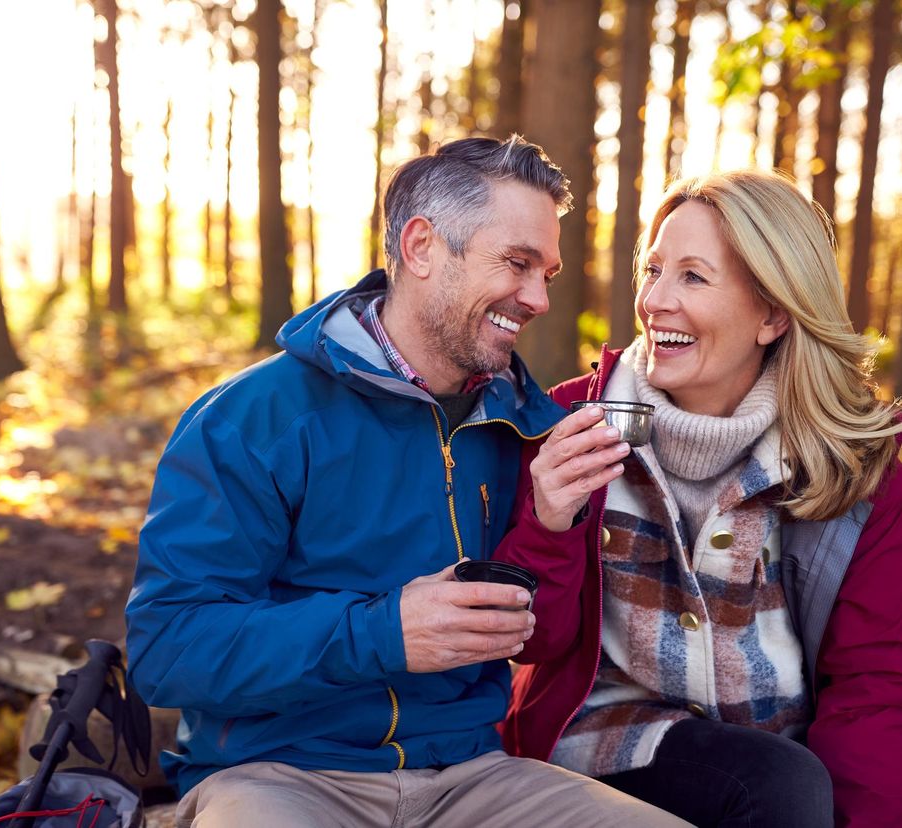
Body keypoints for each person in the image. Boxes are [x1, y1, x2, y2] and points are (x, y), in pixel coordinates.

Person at [125, 136, 690, 828]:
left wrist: (549, 524)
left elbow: (539, 644)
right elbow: (169, 648)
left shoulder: (523, 425)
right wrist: (383, 633)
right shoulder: (253, 419)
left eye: (547, 271)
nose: (540, 297)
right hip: (277, 778)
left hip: (472, 777)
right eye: (516, 263)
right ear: (422, 247)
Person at [494, 169, 902, 827]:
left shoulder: (856, 470)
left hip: (783, 744)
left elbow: (874, 690)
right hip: (605, 737)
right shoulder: (570, 422)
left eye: (693, 277)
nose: (655, 300)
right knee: (781, 786)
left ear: (772, 314)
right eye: (652, 271)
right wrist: (550, 520)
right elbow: (534, 643)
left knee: (792, 781)